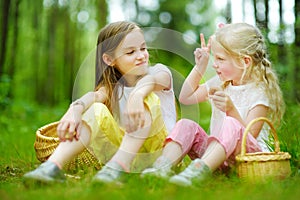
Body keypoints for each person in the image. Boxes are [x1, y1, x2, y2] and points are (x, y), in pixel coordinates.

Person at [23, 21, 176, 184]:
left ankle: (117, 166)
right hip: (130, 156)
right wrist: (74, 110)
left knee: (147, 97)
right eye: (131, 52)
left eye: (143, 48)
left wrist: (137, 95)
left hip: (162, 154)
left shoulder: (160, 72)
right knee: (96, 108)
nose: (141, 55)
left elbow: (151, 82)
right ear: (109, 59)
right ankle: (52, 167)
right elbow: (93, 96)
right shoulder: (112, 88)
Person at [141, 23, 285, 186]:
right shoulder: (221, 82)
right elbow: (186, 97)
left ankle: (197, 171)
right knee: (186, 124)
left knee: (231, 123)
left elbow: (249, 136)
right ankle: (163, 167)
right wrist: (200, 67)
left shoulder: (259, 92)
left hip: (248, 159)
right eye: (214, 58)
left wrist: (231, 110)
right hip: (217, 158)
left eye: (221, 59)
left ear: (245, 62)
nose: (215, 64)